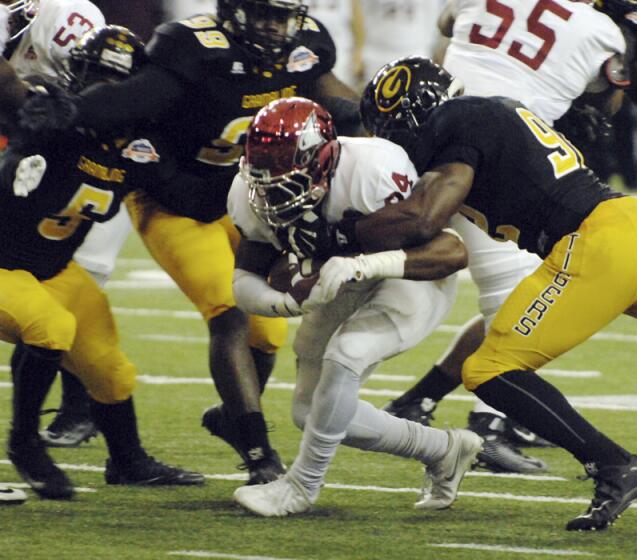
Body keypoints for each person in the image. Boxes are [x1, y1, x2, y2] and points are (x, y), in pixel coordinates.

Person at [328, 56, 637, 531]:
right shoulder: (493, 110)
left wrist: (344, 234)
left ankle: (615, 464)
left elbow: (423, 217)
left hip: (597, 243)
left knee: (487, 369)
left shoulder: (452, 125)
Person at [18, 0, 366, 484]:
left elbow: (340, 105)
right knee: (227, 311)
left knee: (268, 331)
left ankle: (232, 417)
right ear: (233, 11)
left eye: (281, 15)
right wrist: (72, 109)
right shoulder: (194, 47)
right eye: (262, 13)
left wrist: (381, 124)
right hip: (174, 198)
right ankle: (259, 454)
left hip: (240, 197)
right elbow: (135, 98)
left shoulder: (305, 46)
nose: (273, 25)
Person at [383, 0, 637, 474]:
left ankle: (422, 400)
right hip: (493, 154)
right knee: (524, 298)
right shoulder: (598, 27)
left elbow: (445, 22)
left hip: (432, 133)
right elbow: (613, 99)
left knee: (526, 291)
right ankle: (487, 428)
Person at [225, 98, 481, 517]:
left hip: (409, 275)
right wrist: (289, 301)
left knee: (347, 355)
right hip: (337, 280)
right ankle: (446, 450)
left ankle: (300, 488)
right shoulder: (246, 192)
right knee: (311, 413)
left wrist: (364, 263)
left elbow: (450, 251)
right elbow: (243, 280)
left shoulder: (374, 168)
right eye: (263, 176)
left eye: (285, 176)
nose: (272, 190)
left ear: (323, 160)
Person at [0, 25, 205, 500]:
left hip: (54, 268)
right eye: (95, 81)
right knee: (50, 327)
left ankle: (128, 461)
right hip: (5, 265)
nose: (103, 96)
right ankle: (24, 443)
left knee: (110, 370)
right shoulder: (48, 116)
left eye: (117, 87)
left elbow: (188, 196)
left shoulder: (138, 148)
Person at [2, 0, 112, 449]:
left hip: (72, 150)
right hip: (22, 142)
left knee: (76, 273)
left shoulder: (66, 14)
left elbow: (100, 83)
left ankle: (76, 407)